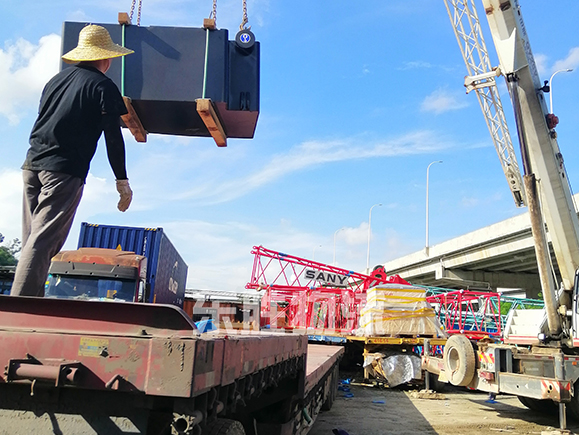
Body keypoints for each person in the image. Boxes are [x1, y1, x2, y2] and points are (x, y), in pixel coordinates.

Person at [11, 25, 134, 297]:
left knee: (34, 239)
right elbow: (113, 137)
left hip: (32, 165)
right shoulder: (103, 86)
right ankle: (21, 307)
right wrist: (122, 180)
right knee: (42, 242)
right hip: (63, 170)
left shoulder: (55, 81)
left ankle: (28, 299)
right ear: (106, 58)